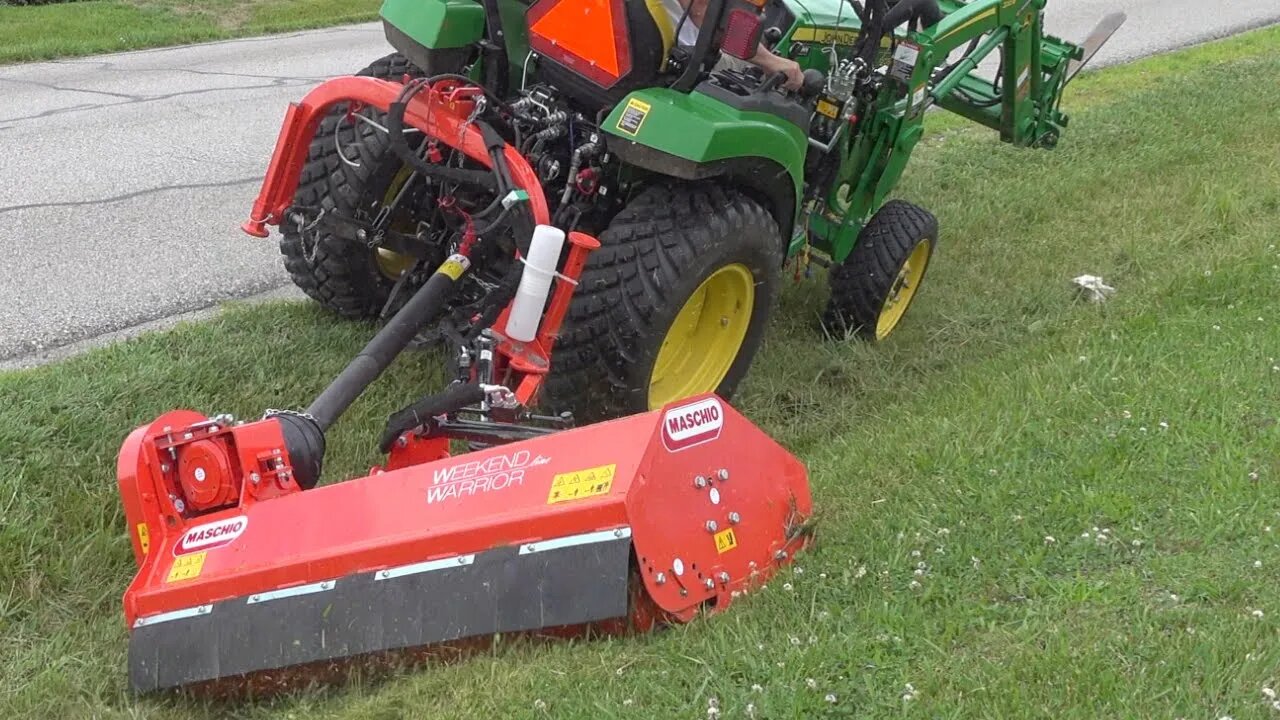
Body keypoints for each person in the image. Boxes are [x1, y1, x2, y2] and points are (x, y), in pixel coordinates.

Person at [661, 0, 806, 90]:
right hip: (683, 61)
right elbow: (702, 11)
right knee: (760, 77)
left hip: (650, 50)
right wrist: (770, 61)